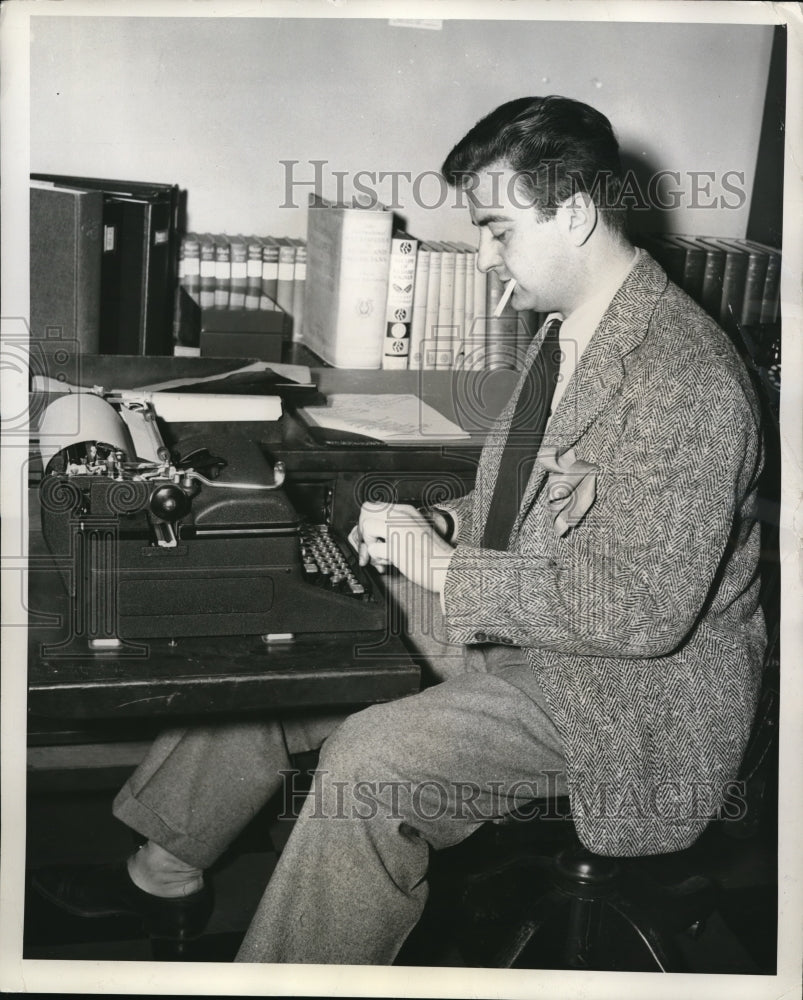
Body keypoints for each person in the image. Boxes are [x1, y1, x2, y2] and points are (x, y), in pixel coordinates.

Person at [33, 96, 766, 965]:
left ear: (571, 211)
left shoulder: (685, 377)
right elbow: (520, 502)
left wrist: (447, 572)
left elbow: (642, 611)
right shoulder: (571, 332)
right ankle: (165, 864)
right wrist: (433, 523)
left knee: (373, 760)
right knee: (303, 614)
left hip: (625, 702)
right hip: (535, 634)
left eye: (497, 229)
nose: (488, 258)